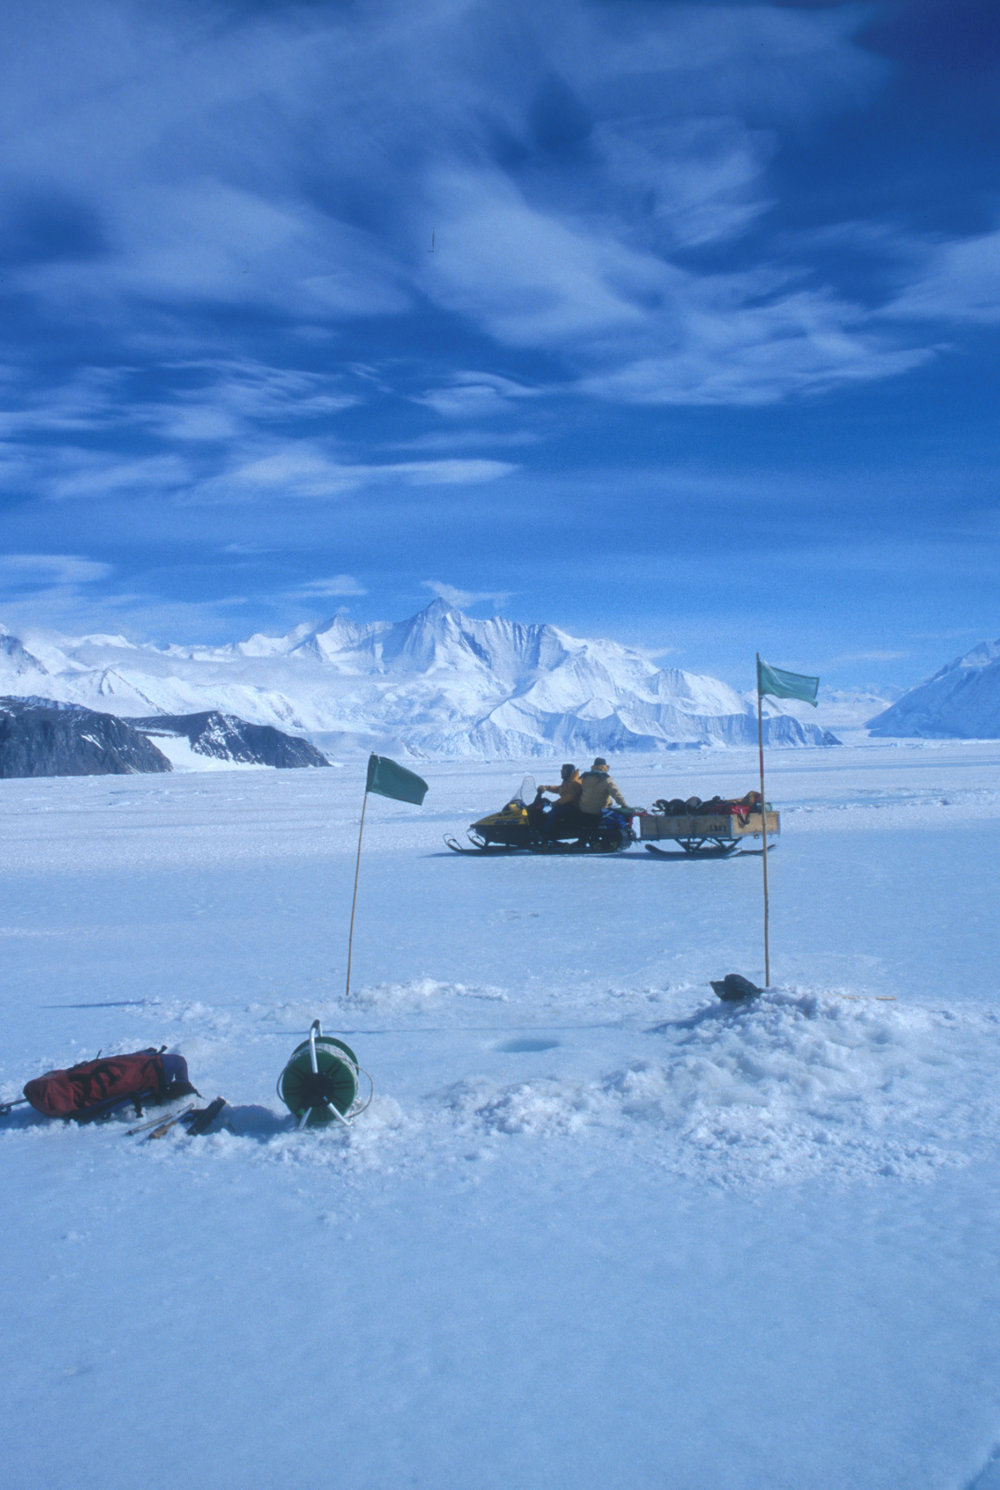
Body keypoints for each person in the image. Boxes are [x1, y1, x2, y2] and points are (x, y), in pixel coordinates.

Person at [532, 763, 582, 836]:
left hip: (573, 806)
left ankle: (545, 833)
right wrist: (547, 788)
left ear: (569, 772)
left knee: (552, 813)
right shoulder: (568, 781)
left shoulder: (574, 783)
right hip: (568, 804)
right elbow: (560, 789)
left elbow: (569, 797)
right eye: (561, 771)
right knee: (545, 808)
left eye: (564, 771)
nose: (561, 773)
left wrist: (555, 803)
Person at [577, 757, 628, 823]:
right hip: (598, 811)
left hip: (584, 809)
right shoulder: (606, 779)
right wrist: (624, 805)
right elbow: (616, 794)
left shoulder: (585, 777)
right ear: (605, 767)